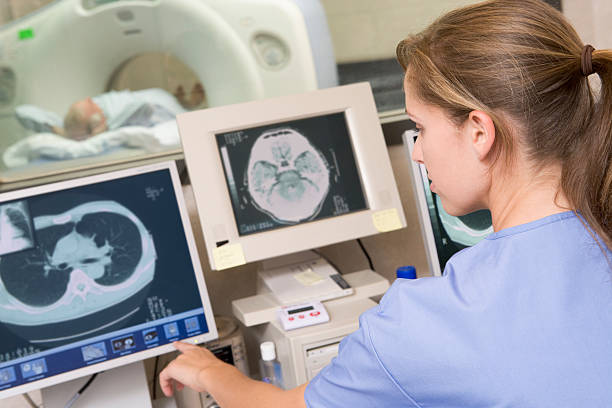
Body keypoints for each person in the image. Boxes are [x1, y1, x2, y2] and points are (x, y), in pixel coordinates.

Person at [159, 0, 612, 406]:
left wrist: (211, 372)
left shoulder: (428, 322)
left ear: (479, 132)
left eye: (421, 127)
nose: (417, 151)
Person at [59, 88, 186, 140]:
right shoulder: (94, 112)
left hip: (159, 103)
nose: (92, 101)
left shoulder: (106, 108)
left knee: (187, 121)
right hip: (154, 99)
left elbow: (144, 107)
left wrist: (106, 127)